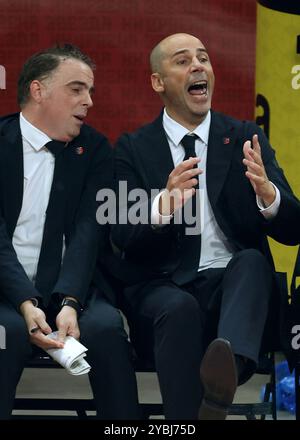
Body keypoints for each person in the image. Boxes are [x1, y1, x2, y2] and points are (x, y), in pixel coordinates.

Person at [110, 33, 300, 419]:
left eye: (204, 58)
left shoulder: (245, 137)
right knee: (177, 306)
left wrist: (268, 195)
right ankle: (202, 411)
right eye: (183, 61)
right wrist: (162, 204)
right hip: (162, 288)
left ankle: (225, 374)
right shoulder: (133, 148)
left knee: (250, 261)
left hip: (232, 297)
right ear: (157, 81)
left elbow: (294, 229)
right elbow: (122, 237)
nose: (198, 66)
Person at [0, 44, 140, 419]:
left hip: (70, 289)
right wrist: (25, 302)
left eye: (90, 91)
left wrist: (70, 302)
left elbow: (88, 232)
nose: (89, 101)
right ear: (38, 91)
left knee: (108, 328)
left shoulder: (93, 149)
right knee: (6, 334)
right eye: (77, 89)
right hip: (5, 289)